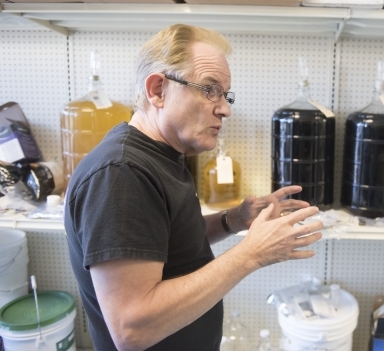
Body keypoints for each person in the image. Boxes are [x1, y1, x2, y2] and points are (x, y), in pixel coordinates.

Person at [64, 24, 323, 351]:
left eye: (225, 94)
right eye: (210, 90)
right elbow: (132, 329)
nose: (225, 109)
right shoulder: (121, 173)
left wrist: (234, 219)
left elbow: (167, 241)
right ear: (158, 90)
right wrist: (251, 254)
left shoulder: (162, 156)